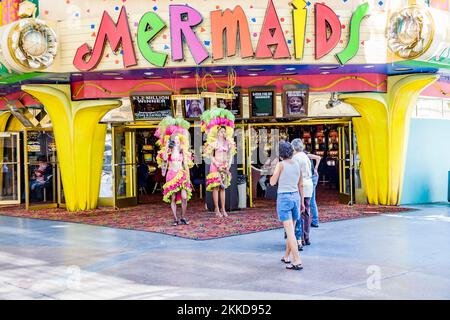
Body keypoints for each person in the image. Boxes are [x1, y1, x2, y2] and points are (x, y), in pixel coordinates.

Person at [270, 141, 304, 271]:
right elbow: (301, 184)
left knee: (289, 231)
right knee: (292, 230)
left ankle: (297, 260)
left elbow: (273, 182)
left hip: (284, 198)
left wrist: (274, 172)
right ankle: (286, 256)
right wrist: (301, 201)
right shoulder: (297, 164)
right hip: (296, 196)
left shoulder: (280, 164)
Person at [156, 117, 193, 226]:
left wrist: (189, 178)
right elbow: (164, 161)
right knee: (172, 197)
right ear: (172, 141)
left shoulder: (183, 151)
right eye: (174, 140)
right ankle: (176, 218)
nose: (177, 141)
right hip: (171, 174)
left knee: (184, 197)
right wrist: (167, 146)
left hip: (181, 174)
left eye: (178, 139)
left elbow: (186, 165)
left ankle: (183, 217)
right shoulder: (167, 152)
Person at [201, 108, 236, 218]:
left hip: (225, 166)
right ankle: (216, 208)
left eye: (224, 131)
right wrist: (216, 163)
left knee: (223, 187)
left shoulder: (228, 143)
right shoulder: (214, 143)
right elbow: (210, 155)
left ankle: (223, 208)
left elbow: (230, 155)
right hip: (215, 166)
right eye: (221, 131)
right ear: (218, 132)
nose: (223, 133)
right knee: (216, 187)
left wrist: (228, 165)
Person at [291, 138, 313, 249]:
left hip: (301, 185)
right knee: (307, 212)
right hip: (309, 184)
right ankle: (307, 237)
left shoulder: (295, 158)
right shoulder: (305, 156)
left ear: (294, 147)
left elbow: (295, 174)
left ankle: (301, 239)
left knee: (299, 212)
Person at [307, 152, 322, 227]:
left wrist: (315, 169)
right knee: (311, 200)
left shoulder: (306, 154)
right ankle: (314, 221)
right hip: (311, 178)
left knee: (311, 200)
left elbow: (319, 157)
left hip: (312, 177)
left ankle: (315, 221)